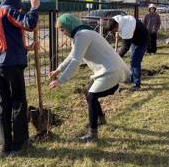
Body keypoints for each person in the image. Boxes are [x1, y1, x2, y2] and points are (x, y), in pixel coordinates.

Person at [49, 13, 130, 142]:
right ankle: (101, 119)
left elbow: (76, 60)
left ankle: (93, 134)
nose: (62, 32)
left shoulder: (82, 35)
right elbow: (72, 55)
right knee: (89, 93)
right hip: (108, 70)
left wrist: (61, 80)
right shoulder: (82, 34)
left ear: (69, 26)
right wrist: (58, 70)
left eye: (62, 29)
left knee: (91, 97)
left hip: (110, 71)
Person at [0, 0, 40, 155]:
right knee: (18, 102)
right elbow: (29, 23)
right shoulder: (8, 10)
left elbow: (1, 40)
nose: (20, 12)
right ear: (17, 6)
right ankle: (19, 143)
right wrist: (34, 7)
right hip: (11, 65)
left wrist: (25, 48)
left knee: (3, 104)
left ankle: (5, 145)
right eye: (20, 10)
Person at [106, 15, 149, 91]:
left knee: (135, 62)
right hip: (135, 38)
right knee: (132, 59)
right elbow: (124, 42)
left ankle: (137, 84)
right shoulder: (116, 20)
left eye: (114, 30)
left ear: (117, 25)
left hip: (142, 40)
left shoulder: (127, 28)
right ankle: (132, 78)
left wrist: (116, 58)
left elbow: (125, 47)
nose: (114, 32)